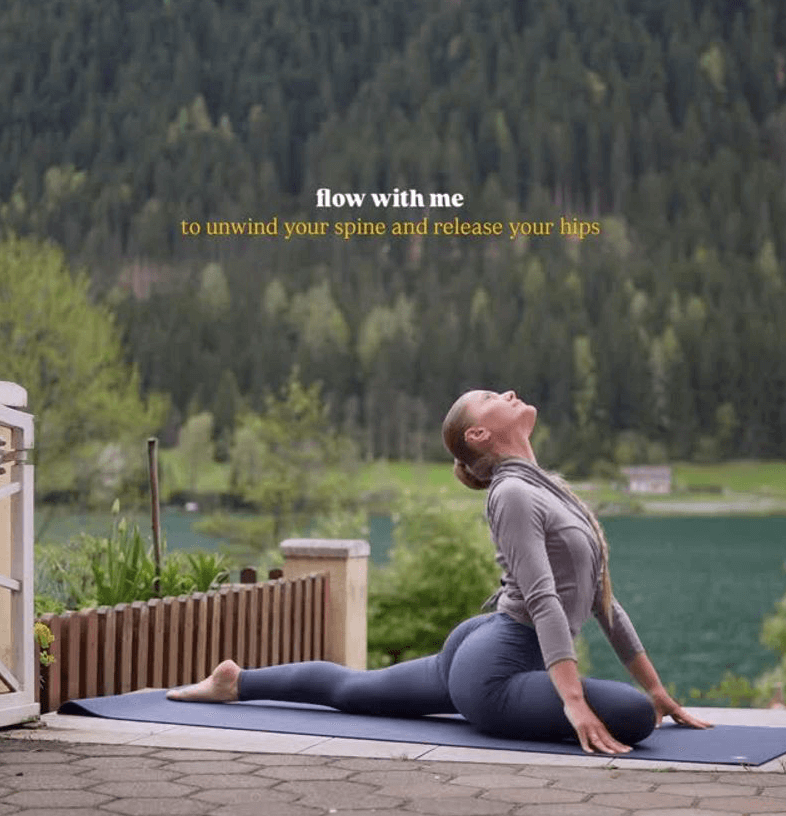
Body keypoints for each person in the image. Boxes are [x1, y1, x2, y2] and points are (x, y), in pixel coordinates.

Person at [168, 388, 713, 754]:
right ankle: (234, 684)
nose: (508, 394)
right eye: (491, 398)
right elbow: (543, 599)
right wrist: (575, 704)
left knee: (356, 692)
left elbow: (603, 604)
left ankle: (237, 681)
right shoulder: (514, 493)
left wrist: (658, 688)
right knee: (633, 718)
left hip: (489, 646)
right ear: (479, 434)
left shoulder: (547, 487)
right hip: (497, 667)